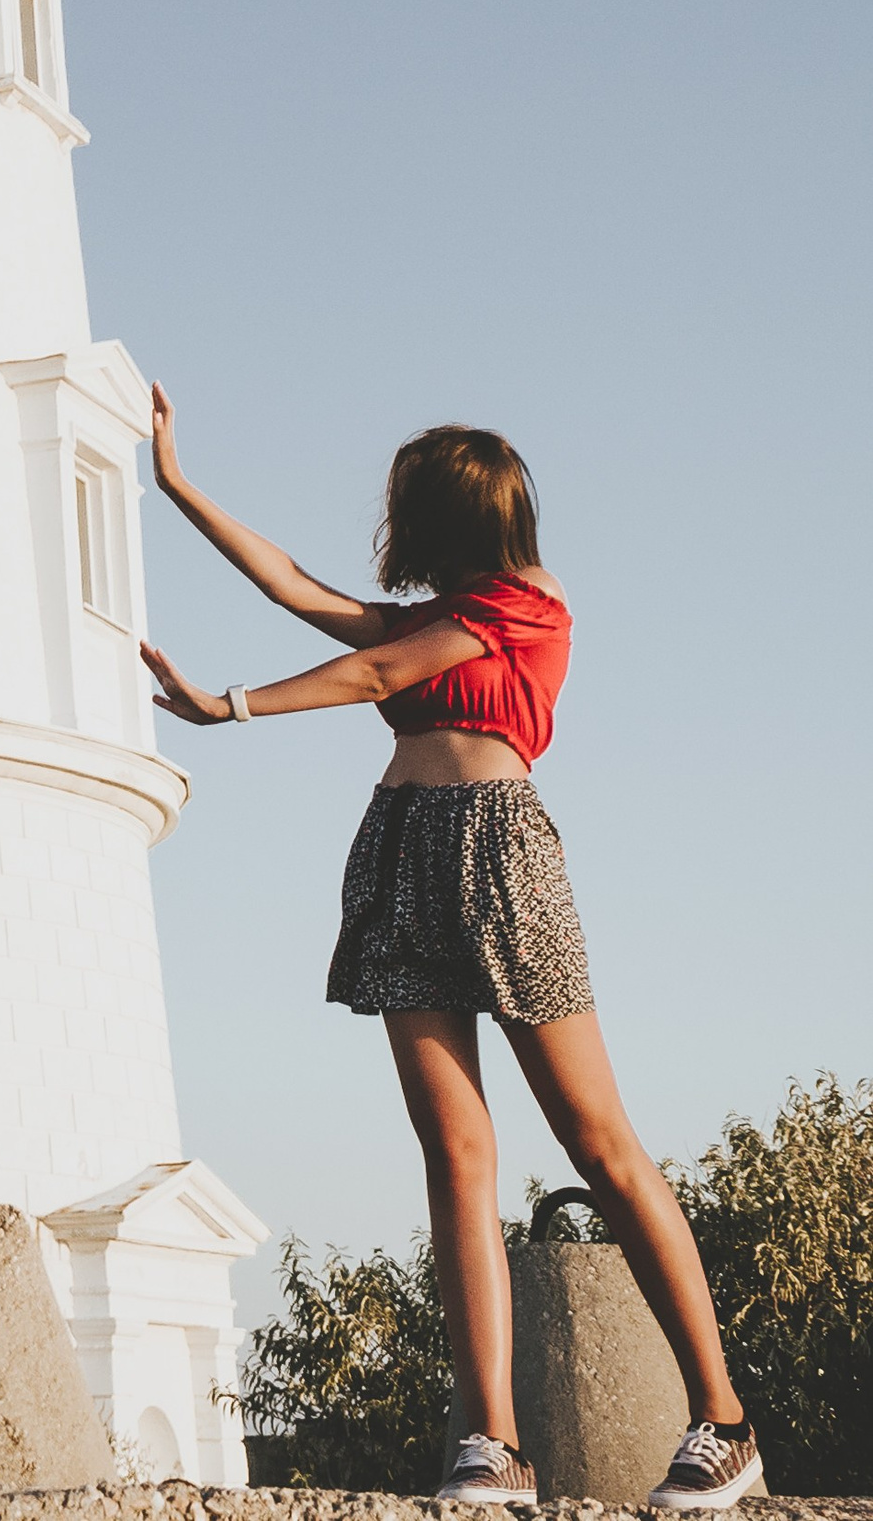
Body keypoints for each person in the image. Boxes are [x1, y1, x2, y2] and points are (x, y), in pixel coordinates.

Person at [138, 391, 760, 1514]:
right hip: (399, 853)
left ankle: (723, 1418)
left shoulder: (526, 602)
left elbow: (378, 676)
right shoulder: (433, 618)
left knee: (594, 1137)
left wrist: (229, 705)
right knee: (453, 1152)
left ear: (445, 515)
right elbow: (291, 584)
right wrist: (177, 485)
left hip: (499, 854)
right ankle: (492, 1441)